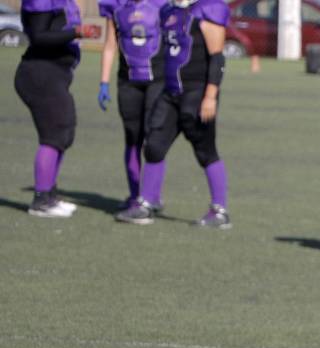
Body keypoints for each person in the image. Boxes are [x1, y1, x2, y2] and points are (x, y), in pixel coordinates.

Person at [116, 0, 231, 228]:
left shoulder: (208, 9)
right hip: (171, 92)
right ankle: (147, 203)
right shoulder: (169, 11)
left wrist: (210, 96)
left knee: (205, 151)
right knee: (154, 145)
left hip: (197, 93)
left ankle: (220, 211)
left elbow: (217, 59)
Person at [14, 0, 101, 218]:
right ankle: (41, 199)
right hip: (40, 73)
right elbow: (38, 36)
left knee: (64, 132)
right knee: (54, 134)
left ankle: (49, 193)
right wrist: (76, 32)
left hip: (55, 73)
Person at [98, 0, 168, 214]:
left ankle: (151, 196)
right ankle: (135, 194)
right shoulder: (116, 6)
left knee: (153, 138)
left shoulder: (162, 5)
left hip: (157, 80)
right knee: (132, 138)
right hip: (128, 81)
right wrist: (104, 82)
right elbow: (110, 44)